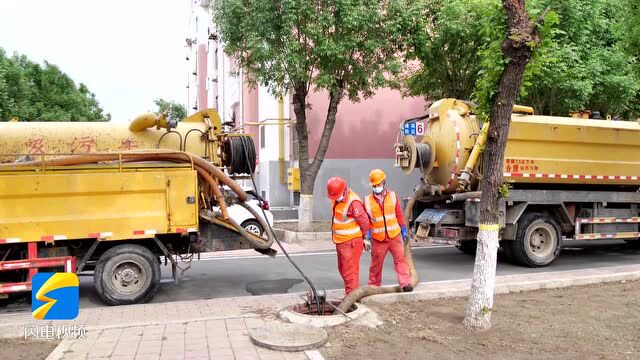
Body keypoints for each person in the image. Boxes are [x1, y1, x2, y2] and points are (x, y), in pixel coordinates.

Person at [363, 169, 413, 292]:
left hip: (394, 236)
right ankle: (373, 286)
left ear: (384, 182)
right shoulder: (367, 201)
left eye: (378, 184)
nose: (376, 187)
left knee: (401, 260)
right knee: (376, 265)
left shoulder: (392, 196)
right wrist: (367, 236)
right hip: (378, 239)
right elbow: (366, 221)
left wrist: (404, 231)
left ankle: (405, 283)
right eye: (374, 185)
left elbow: (399, 215)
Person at [327, 176, 372, 295]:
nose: (335, 198)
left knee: (350, 273)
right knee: (343, 270)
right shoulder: (337, 197)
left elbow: (364, 221)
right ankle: (352, 294)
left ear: (344, 190)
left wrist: (366, 238)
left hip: (351, 242)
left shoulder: (353, 202)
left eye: (337, 196)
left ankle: (352, 299)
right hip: (341, 241)